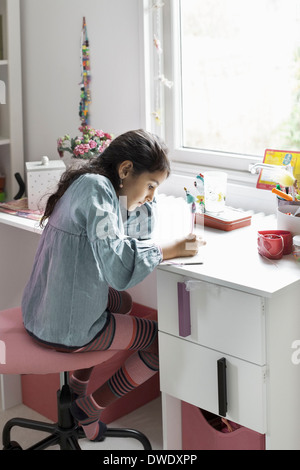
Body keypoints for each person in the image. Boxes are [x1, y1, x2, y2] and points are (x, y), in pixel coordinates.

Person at [22, 129, 205, 442]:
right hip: (63, 328)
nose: (150, 195)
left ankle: (78, 387)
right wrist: (169, 250)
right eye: (150, 186)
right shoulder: (99, 191)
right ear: (125, 170)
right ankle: (91, 407)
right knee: (161, 343)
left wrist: (145, 198)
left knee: (122, 303)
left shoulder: (90, 185)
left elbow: (136, 233)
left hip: (40, 311)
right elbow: (119, 270)